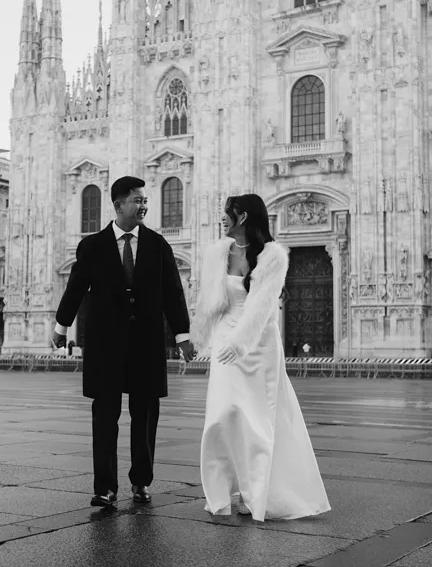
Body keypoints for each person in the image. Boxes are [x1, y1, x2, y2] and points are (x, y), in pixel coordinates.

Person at [51, 176, 194, 509]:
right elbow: (75, 289)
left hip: (146, 344)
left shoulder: (158, 245)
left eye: (145, 200)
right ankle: (105, 487)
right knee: (104, 417)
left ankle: (141, 482)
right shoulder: (93, 246)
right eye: (137, 200)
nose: (143, 205)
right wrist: (61, 326)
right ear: (117, 205)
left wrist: (183, 335)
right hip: (105, 346)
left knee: (145, 417)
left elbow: (173, 293)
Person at [190, 194, 330, 522]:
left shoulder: (273, 256)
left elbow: (262, 305)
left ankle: (256, 494)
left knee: (256, 420)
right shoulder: (216, 253)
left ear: (243, 217)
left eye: (228, 213)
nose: (223, 218)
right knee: (221, 416)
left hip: (257, 342)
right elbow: (209, 300)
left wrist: (241, 342)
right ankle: (224, 492)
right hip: (225, 336)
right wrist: (199, 335)